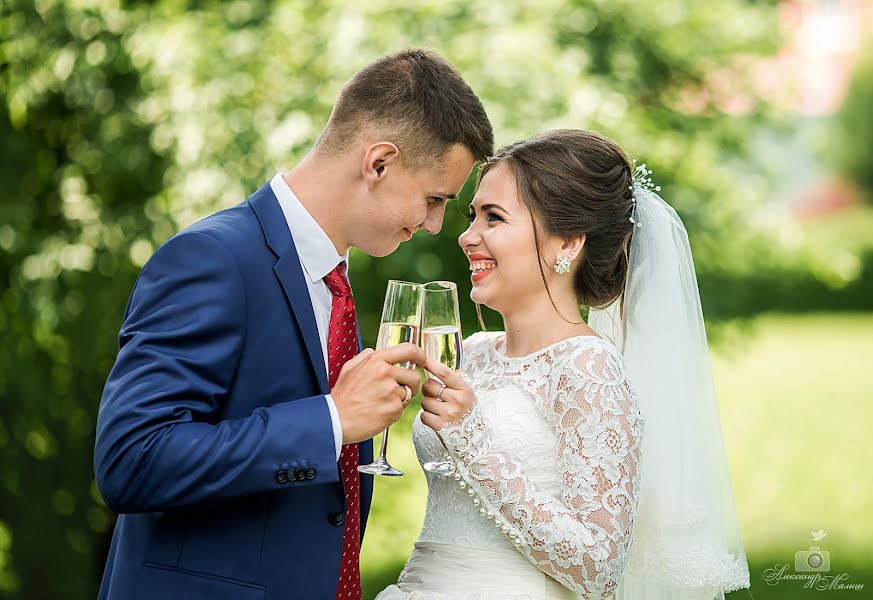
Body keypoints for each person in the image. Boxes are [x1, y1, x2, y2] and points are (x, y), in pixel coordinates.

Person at [93, 48, 493, 600]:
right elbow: (131, 460)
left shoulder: (337, 283)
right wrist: (331, 420)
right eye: (434, 199)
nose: (433, 225)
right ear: (378, 162)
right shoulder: (212, 260)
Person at [378, 130, 750, 599]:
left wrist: (471, 435)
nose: (467, 236)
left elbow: (597, 566)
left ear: (568, 243)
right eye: (472, 216)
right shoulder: (469, 353)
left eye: (494, 218)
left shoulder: (588, 368)